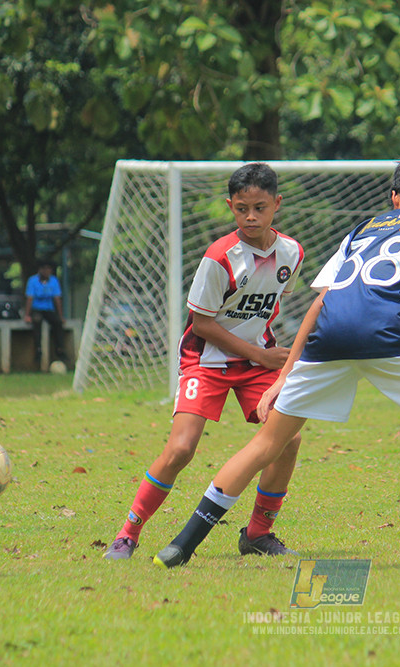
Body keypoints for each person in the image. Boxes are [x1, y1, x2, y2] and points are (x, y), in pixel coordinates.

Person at [154, 156, 400, 569]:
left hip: (327, 337)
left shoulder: (363, 230)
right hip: (384, 333)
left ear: (394, 197)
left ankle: (182, 544)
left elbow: (322, 300)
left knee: (265, 444)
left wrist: (281, 379)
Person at [103, 162, 305, 561]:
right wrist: (260, 354)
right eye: (242, 208)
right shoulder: (219, 256)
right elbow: (202, 323)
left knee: (288, 440)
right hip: (206, 359)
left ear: (276, 204)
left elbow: (268, 309)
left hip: (255, 363)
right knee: (181, 449)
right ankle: (128, 534)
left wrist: (266, 356)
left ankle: (258, 534)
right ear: (231, 206)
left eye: (260, 208)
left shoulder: (292, 252)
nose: (251, 216)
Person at [24, 259, 67, 367]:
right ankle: (38, 349)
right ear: (39, 270)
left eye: (48, 269)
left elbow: (57, 299)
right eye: (44, 268)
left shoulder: (54, 281)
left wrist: (61, 316)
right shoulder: (33, 281)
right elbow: (30, 298)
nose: (46, 271)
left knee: (57, 322)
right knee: (37, 321)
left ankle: (59, 348)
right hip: (37, 309)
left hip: (48, 309)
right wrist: (27, 315)